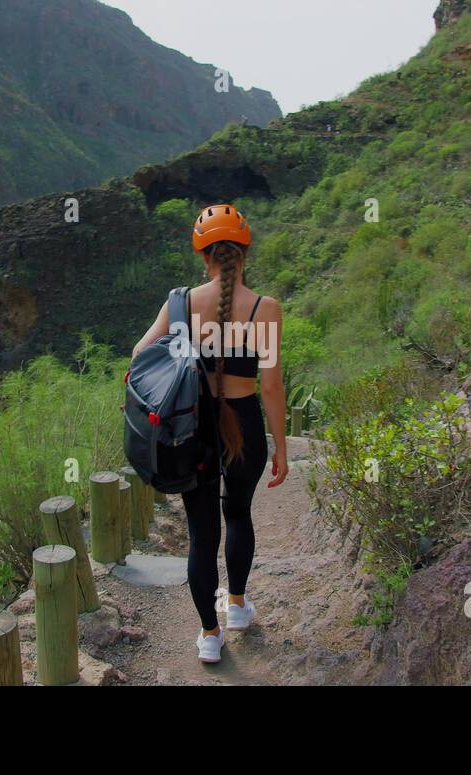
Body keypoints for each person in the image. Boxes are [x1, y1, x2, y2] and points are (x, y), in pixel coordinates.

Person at [132, 204, 289, 663]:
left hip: (190, 428)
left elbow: (141, 357)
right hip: (244, 424)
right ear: (244, 253)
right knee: (238, 516)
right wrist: (281, 447)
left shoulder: (179, 302)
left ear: (204, 257)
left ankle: (208, 634)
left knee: (202, 536)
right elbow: (272, 386)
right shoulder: (265, 308)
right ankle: (237, 605)